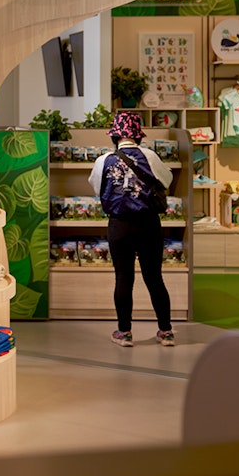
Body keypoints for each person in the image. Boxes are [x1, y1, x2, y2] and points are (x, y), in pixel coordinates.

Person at [88, 112, 175, 348]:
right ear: (138, 136)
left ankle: (124, 332)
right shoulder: (150, 156)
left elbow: (97, 187)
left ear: (115, 136)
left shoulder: (103, 160)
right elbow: (166, 180)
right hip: (149, 223)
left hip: (119, 224)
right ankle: (166, 331)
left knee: (124, 278)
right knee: (154, 278)